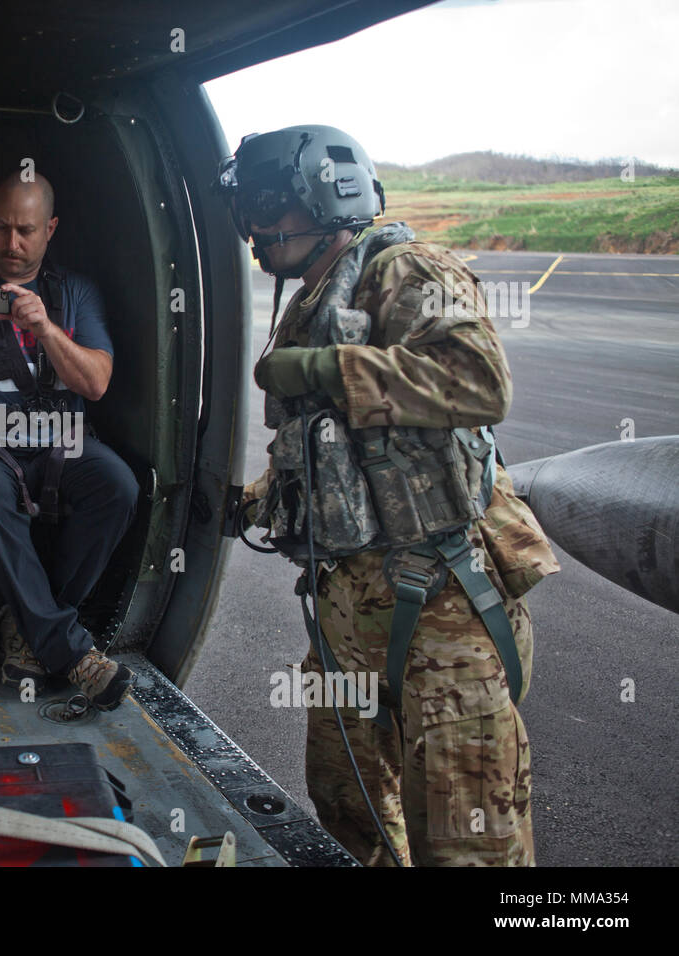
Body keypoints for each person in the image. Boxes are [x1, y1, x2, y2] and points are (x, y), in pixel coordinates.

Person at [215, 125, 559, 865]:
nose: (252, 230)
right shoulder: (317, 293)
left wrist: (328, 369)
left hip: (440, 617)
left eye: (262, 209)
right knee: (352, 815)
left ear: (315, 199)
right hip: (348, 618)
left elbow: (479, 382)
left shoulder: (406, 270)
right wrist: (247, 503)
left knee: (470, 844)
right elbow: (326, 452)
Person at [0, 172, 138, 711]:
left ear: (50, 229)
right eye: (1, 227)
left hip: (61, 441)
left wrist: (48, 330)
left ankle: (28, 628)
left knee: (118, 485)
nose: (11, 244)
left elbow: (96, 383)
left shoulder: (74, 292)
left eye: (26, 231)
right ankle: (70, 650)